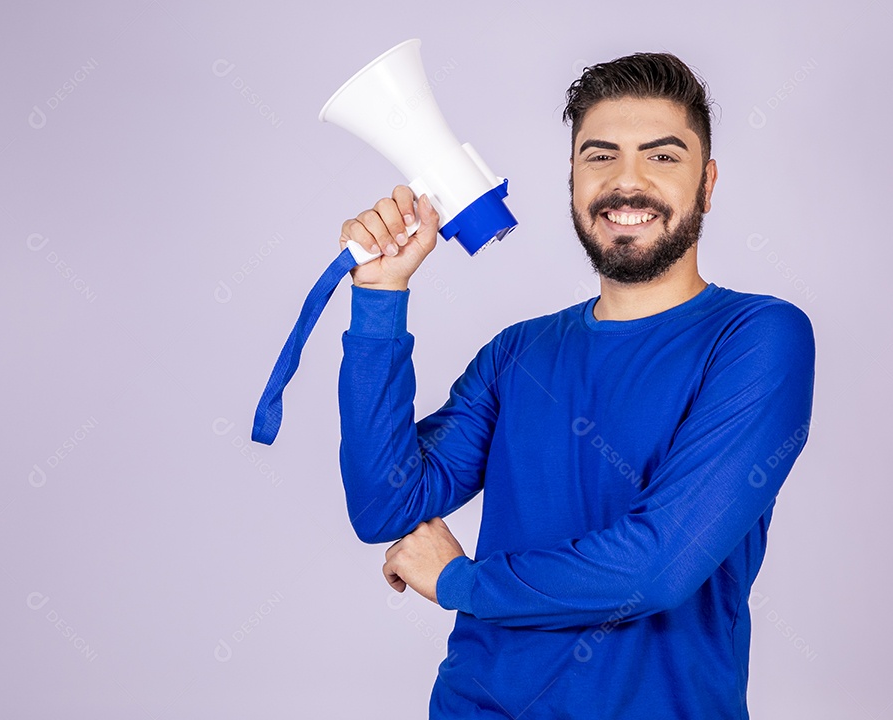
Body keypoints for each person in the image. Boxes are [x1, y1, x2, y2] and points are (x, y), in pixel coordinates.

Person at [336, 51, 816, 720]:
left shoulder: (758, 337)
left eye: (662, 157)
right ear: (572, 180)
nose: (628, 183)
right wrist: (380, 299)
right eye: (600, 156)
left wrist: (459, 581)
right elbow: (385, 508)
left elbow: (657, 567)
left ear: (707, 184)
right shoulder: (517, 353)